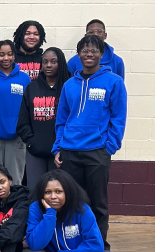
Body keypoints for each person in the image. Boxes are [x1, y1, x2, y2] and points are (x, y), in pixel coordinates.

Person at [52, 35, 127, 251]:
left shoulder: (113, 81)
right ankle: (73, 243)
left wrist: (109, 147)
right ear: (79, 55)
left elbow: (118, 118)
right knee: (72, 202)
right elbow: (62, 120)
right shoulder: (69, 85)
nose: (89, 54)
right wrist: (58, 147)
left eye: (94, 50)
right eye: (85, 50)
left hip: (97, 153)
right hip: (70, 152)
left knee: (98, 204)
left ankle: (99, 244)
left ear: (102, 54)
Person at [17, 47, 72, 189]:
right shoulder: (32, 87)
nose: (48, 65)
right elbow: (23, 120)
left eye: (53, 62)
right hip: (36, 152)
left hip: (62, 152)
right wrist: (31, 142)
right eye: (45, 62)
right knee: (35, 192)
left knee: (58, 192)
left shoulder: (68, 87)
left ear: (61, 63)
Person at [0, 40, 31, 186]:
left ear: (15, 55)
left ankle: (15, 209)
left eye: (9, 54)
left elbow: (28, 106)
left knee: (15, 182)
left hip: (17, 138)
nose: (6, 58)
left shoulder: (24, 78)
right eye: (1, 55)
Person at [25, 169, 104, 252]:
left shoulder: (82, 209)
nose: (53, 196)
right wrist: (50, 215)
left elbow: (96, 246)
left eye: (58, 191)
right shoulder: (36, 208)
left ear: (68, 192)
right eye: (47, 192)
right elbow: (34, 245)